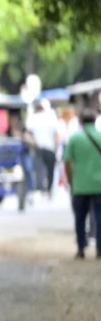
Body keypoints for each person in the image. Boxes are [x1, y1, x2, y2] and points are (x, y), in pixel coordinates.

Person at [62, 108, 101, 259]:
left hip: (80, 185)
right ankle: (99, 249)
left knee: (80, 218)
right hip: (99, 185)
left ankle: (81, 248)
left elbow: (67, 162)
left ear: (81, 121)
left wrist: (70, 179)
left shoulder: (74, 138)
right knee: (100, 218)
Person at [27, 100, 59, 195]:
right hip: (48, 148)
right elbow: (56, 134)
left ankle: (42, 188)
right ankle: (48, 189)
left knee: (40, 169)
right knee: (49, 170)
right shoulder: (51, 117)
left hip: (40, 147)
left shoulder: (34, 118)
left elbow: (28, 133)